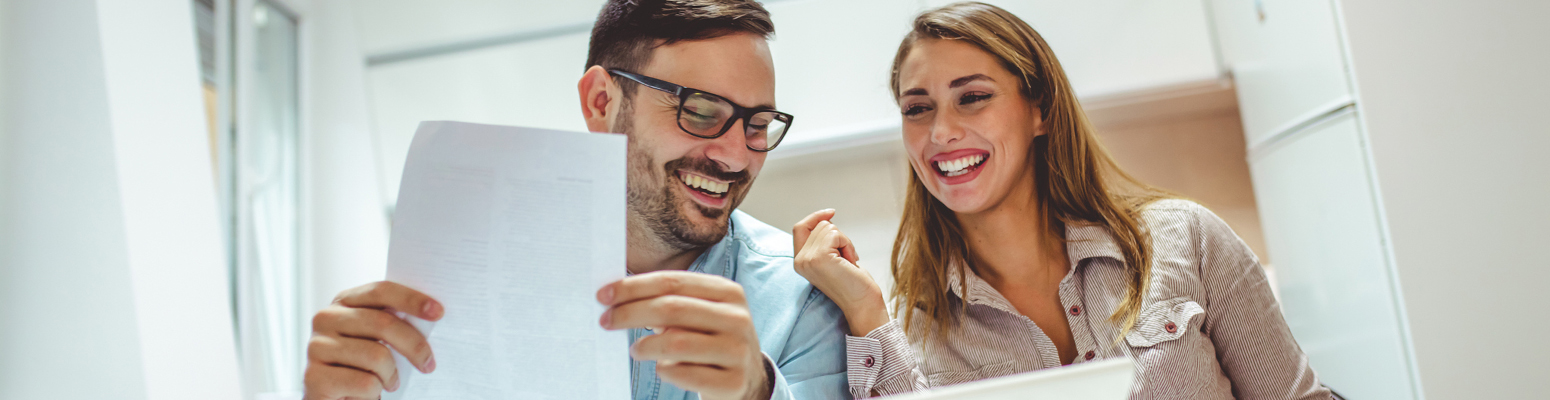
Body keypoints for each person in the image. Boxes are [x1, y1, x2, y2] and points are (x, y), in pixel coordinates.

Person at [302, 1, 850, 399]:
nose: (735, 156)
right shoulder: (459, 285)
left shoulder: (804, 301)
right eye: (700, 111)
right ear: (601, 101)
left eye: (757, 123)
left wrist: (758, 394)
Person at [791, 2, 1337, 399]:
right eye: (918, 109)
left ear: (1040, 110)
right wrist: (864, 312)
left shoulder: (1182, 238)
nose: (941, 132)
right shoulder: (916, 329)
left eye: (973, 98)